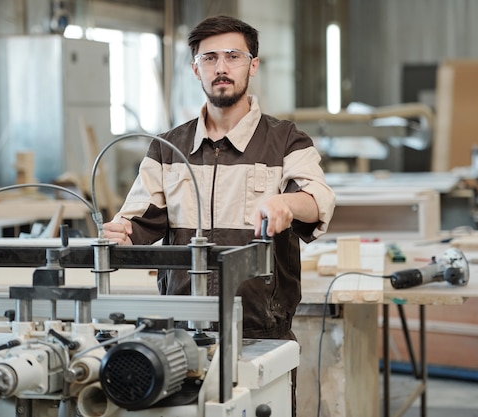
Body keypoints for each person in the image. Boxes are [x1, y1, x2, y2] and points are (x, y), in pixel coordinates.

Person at [102, 15, 336, 413]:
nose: (221, 68)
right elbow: (138, 222)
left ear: (253, 65)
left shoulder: (285, 140)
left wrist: (285, 203)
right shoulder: (167, 148)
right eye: (209, 58)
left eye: (233, 56)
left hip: (261, 330)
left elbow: (316, 198)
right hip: (179, 335)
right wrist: (120, 233)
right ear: (195, 68)